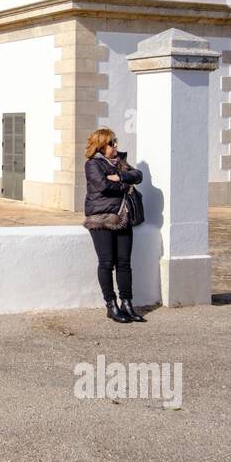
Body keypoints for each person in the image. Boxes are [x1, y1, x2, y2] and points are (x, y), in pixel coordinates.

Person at [82, 128, 146, 323]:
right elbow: (102, 186)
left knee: (124, 263)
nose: (115, 146)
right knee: (107, 263)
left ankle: (127, 303)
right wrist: (125, 186)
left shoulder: (120, 163)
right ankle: (111, 305)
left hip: (123, 216)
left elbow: (138, 175)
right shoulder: (92, 164)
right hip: (101, 218)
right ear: (101, 145)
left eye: (115, 142)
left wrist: (120, 177)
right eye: (111, 143)